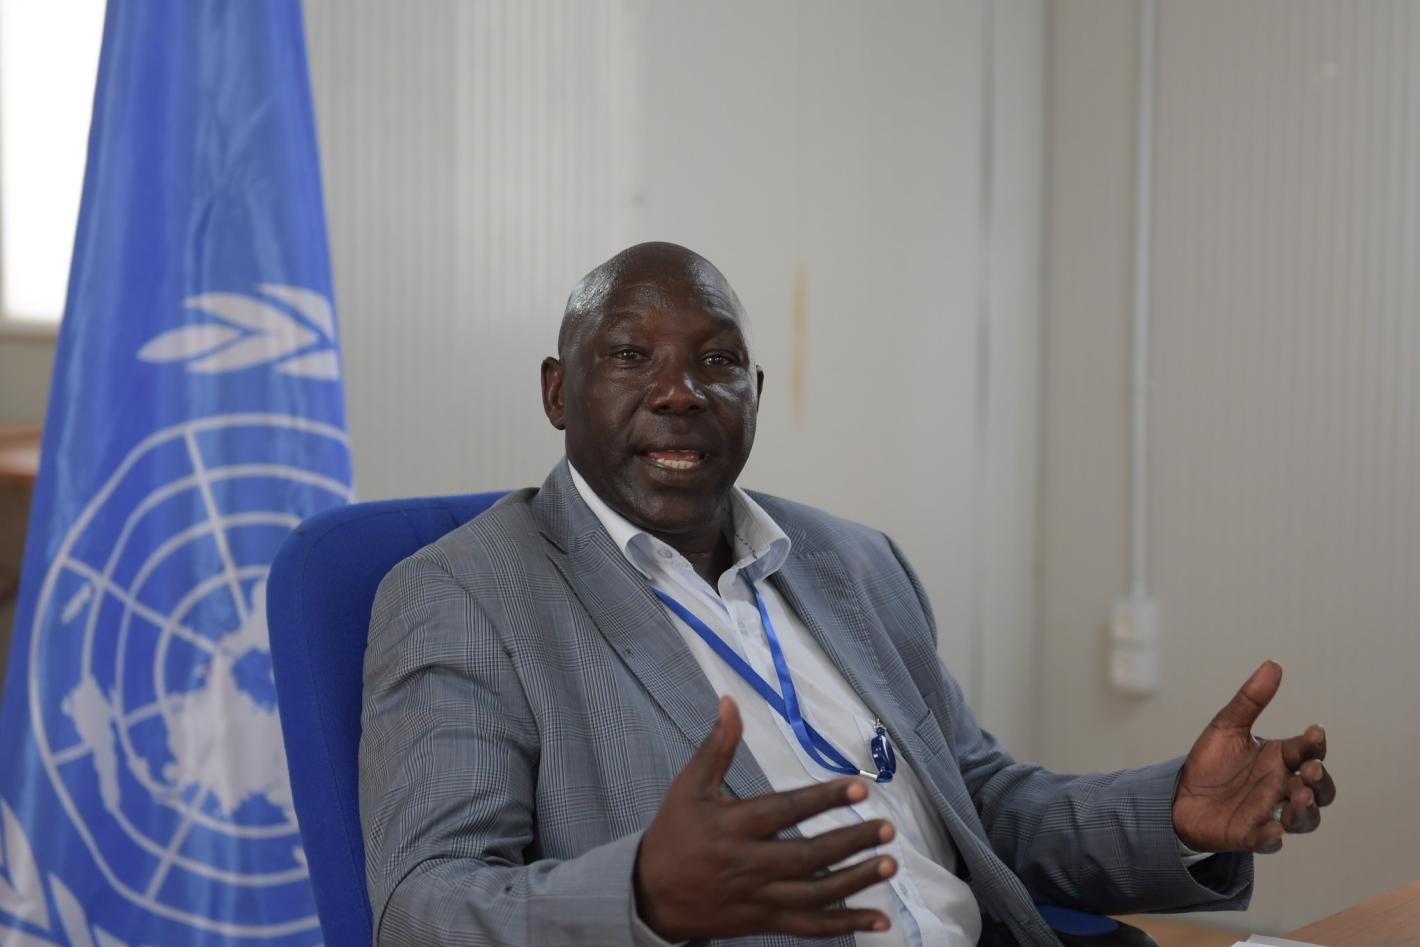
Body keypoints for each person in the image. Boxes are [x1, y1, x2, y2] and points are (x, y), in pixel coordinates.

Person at [359, 242, 1335, 947]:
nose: (680, 391)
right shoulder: (464, 594)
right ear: (556, 390)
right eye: (629, 355)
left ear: (754, 391)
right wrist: (642, 896)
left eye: (717, 360)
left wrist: (1175, 813)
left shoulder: (852, 560)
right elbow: (421, 905)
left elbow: (982, 805)